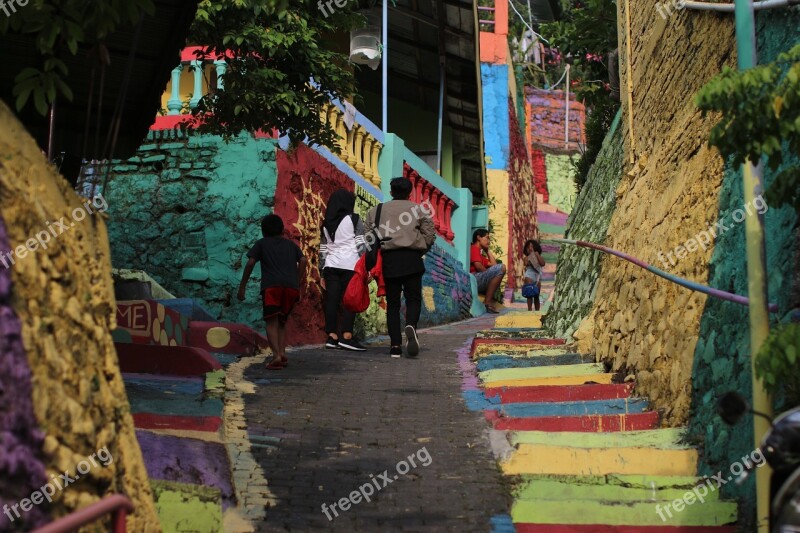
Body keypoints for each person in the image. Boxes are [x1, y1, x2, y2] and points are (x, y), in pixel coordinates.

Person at [366, 177, 435, 358]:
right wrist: (421, 248)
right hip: (412, 258)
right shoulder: (418, 210)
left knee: (393, 304)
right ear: (410, 193)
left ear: (391, 192)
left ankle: (395, 345)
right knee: (413, 299)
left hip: (390, 260)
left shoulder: (377, 211)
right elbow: (430, 234)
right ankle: (410, 324)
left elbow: (368, 237)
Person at [237, 214, 307, 369]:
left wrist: (242, 286)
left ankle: (275, 355)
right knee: (282, 321)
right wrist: (296, 280)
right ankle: (282, 352)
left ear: (263, 231)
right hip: (290, 288)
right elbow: (303, 260)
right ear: (282, 230)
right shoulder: (290, 245)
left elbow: (250, 262)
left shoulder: (262, 244)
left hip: (271, 288)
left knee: (271, 321)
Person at [319, 189, 367, 351]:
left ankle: (331, 337)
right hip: (350, 266)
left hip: (331, 266)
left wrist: (321, 271)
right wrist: (365, 266)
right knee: (350, 301)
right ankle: (347, 336)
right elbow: (361, 245)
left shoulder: (326, 223)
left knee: (332, 301)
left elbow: (323, 249)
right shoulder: (354, 219)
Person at [470, 229, 506, 314]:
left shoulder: (480, 255)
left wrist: (487, 250)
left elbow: (494, 265)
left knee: (500, 269)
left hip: (479, 278)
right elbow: (478, 267)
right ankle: (487, 301)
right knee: (502, 267)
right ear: (478, 237)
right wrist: (489, 274)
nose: (488, 241)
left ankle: (488, 301)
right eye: (487, 238)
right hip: (474, 279)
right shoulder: (474, 248)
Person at [522, 239, 545, 311]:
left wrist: (537, 255)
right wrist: (531, 259)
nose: (530, 248)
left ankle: (537, 311)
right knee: (529, 294)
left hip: (537, 278)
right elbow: (526, 263)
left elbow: (542, 263)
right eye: (528, 247)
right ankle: (529, 309)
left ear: (535, 248)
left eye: (532, 247)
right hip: (529, 276)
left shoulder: (538, 256)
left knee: (536, 295)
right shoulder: (526, 257)